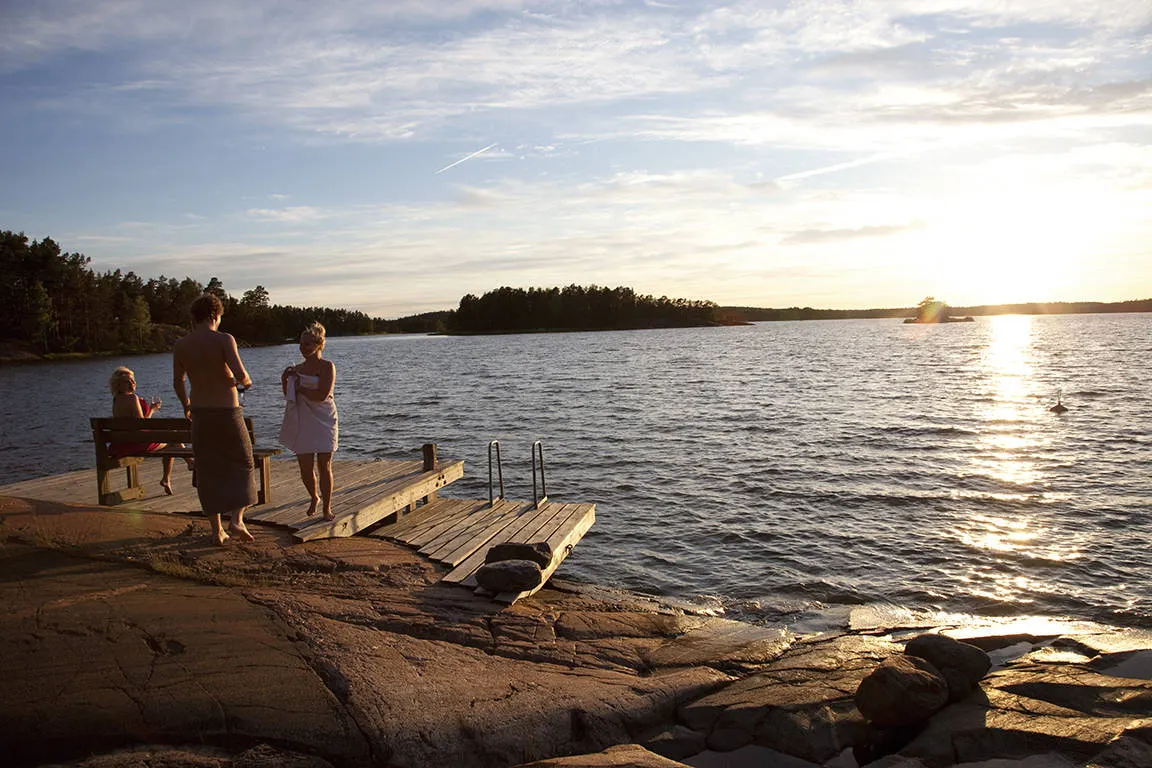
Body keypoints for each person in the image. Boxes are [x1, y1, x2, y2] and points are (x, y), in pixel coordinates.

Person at [172, 293, 257, 545]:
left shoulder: (181, 345)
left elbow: (178, 381)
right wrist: (244, 382)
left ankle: (216, 529)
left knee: (207, 469)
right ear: (214, 315)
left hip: (200, 412)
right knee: (243, 463)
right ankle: (237, 520)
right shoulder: (224, 339)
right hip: (227, 412)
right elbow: (242, 376)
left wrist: (186, 404)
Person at [280, 322, 339, 520]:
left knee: (325, 465)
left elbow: (322, 394)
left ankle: (327, 507)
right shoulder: (296, 370)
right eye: (301, 344)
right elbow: (289, 397)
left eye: (306, 344)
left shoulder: (327, 367)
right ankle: (314, 497)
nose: (302, 348)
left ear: (318, 344)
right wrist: (285, 380)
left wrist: (300, 388)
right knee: (305, 467)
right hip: (303, 419)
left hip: (324, 418)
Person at [108, 366, 190, 495]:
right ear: (118, 385)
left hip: (123, 443)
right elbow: (142, 424)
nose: (132, 384)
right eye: (127, 382)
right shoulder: (132, 398)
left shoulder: (116, 399)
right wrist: (151, 410)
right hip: (137, 444)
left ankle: (167, 479)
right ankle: (188, 463)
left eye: (133, 381)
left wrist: (150, 409)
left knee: (169, 438)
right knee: (172, 438)